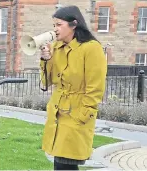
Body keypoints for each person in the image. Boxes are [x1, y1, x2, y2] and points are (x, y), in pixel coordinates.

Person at [40, 5, 107, 170]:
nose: (55, 29)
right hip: (57, 113)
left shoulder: (91, 48)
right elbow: (46, 82)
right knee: (60, 163)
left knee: (65, 164)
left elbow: (96, 87)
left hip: (77, 113)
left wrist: (83, 115)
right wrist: (46, 60)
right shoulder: (56, 47)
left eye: (59, 25)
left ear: (74, 24)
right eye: (54, 25)